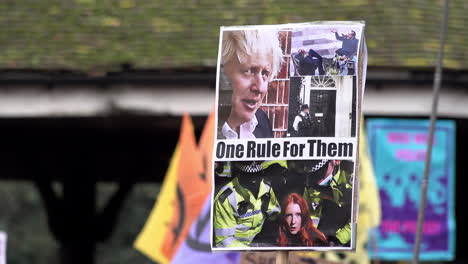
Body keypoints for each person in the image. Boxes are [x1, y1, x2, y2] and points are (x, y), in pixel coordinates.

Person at [218, 29, 283, 139]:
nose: (260, 88)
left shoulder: (262, 121)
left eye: (265, 73)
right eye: (248, 71)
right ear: (223, 73)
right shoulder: (208, 124)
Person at [213, 161, 285, 248]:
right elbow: (223, 241)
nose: (253, 180)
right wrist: (250, 251)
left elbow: (275, 214)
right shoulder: (227, 198)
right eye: (248, 176)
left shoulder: (267, 188)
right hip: (237, 250)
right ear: (239, 174)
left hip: (259, 242)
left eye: (256, 174)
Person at [288, 159, 353, 246]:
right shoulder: (311, 183)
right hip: (332, 214)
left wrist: (339, 239)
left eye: (320, 172)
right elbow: (310, 214)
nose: (317, 181)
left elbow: (359, 216)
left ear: (335, 161)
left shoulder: (352, 174)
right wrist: (307, 235)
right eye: (311, 175)